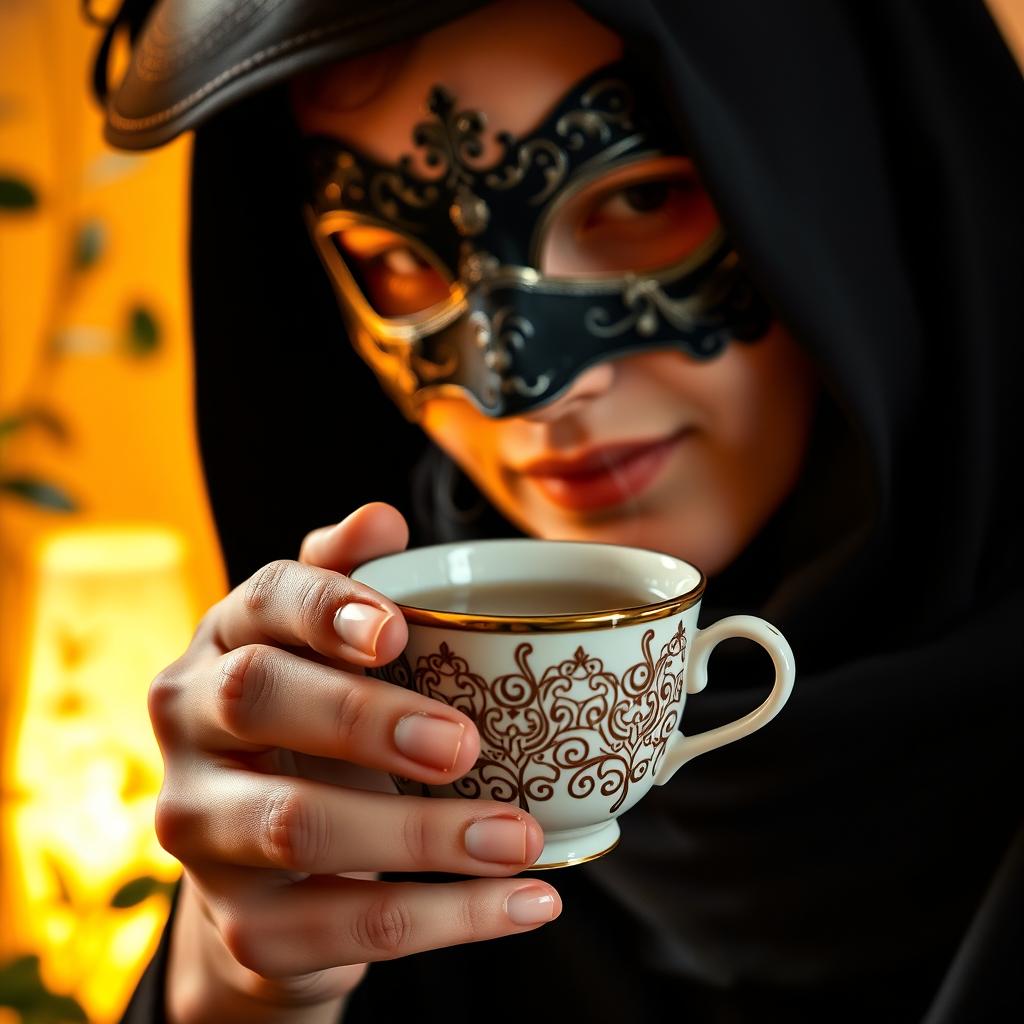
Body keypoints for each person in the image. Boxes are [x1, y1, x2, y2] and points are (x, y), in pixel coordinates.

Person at [91, 1, 1024, 1021]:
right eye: (395, 259)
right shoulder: (381, 723)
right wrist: (237, 987)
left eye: (636, 202)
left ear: (855, 164)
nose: (521, 388)